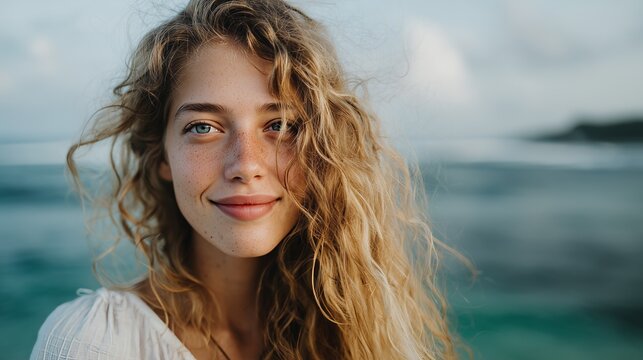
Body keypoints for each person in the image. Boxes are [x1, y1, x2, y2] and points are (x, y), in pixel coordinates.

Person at [31, 0, 463, 359]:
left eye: (282, 125)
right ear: (160, 154)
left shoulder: (366, 331)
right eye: (203, 127)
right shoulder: (92, 342)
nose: (246, 164)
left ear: (325, 150)